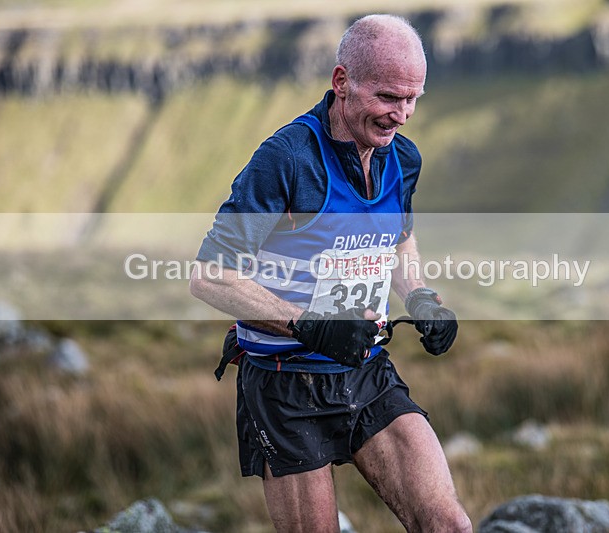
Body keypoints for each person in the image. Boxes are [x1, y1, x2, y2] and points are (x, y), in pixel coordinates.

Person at [190, 14, 471, 533]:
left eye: (413, 99)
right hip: (284, 386)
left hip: (364, 371)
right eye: (388, 97)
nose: (402, 115)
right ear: (342, 82)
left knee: (449, 525)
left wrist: (422, 299)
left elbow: (398, 236)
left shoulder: (402, 158)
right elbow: (209, 276)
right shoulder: (287, 159)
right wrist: (312, 325)